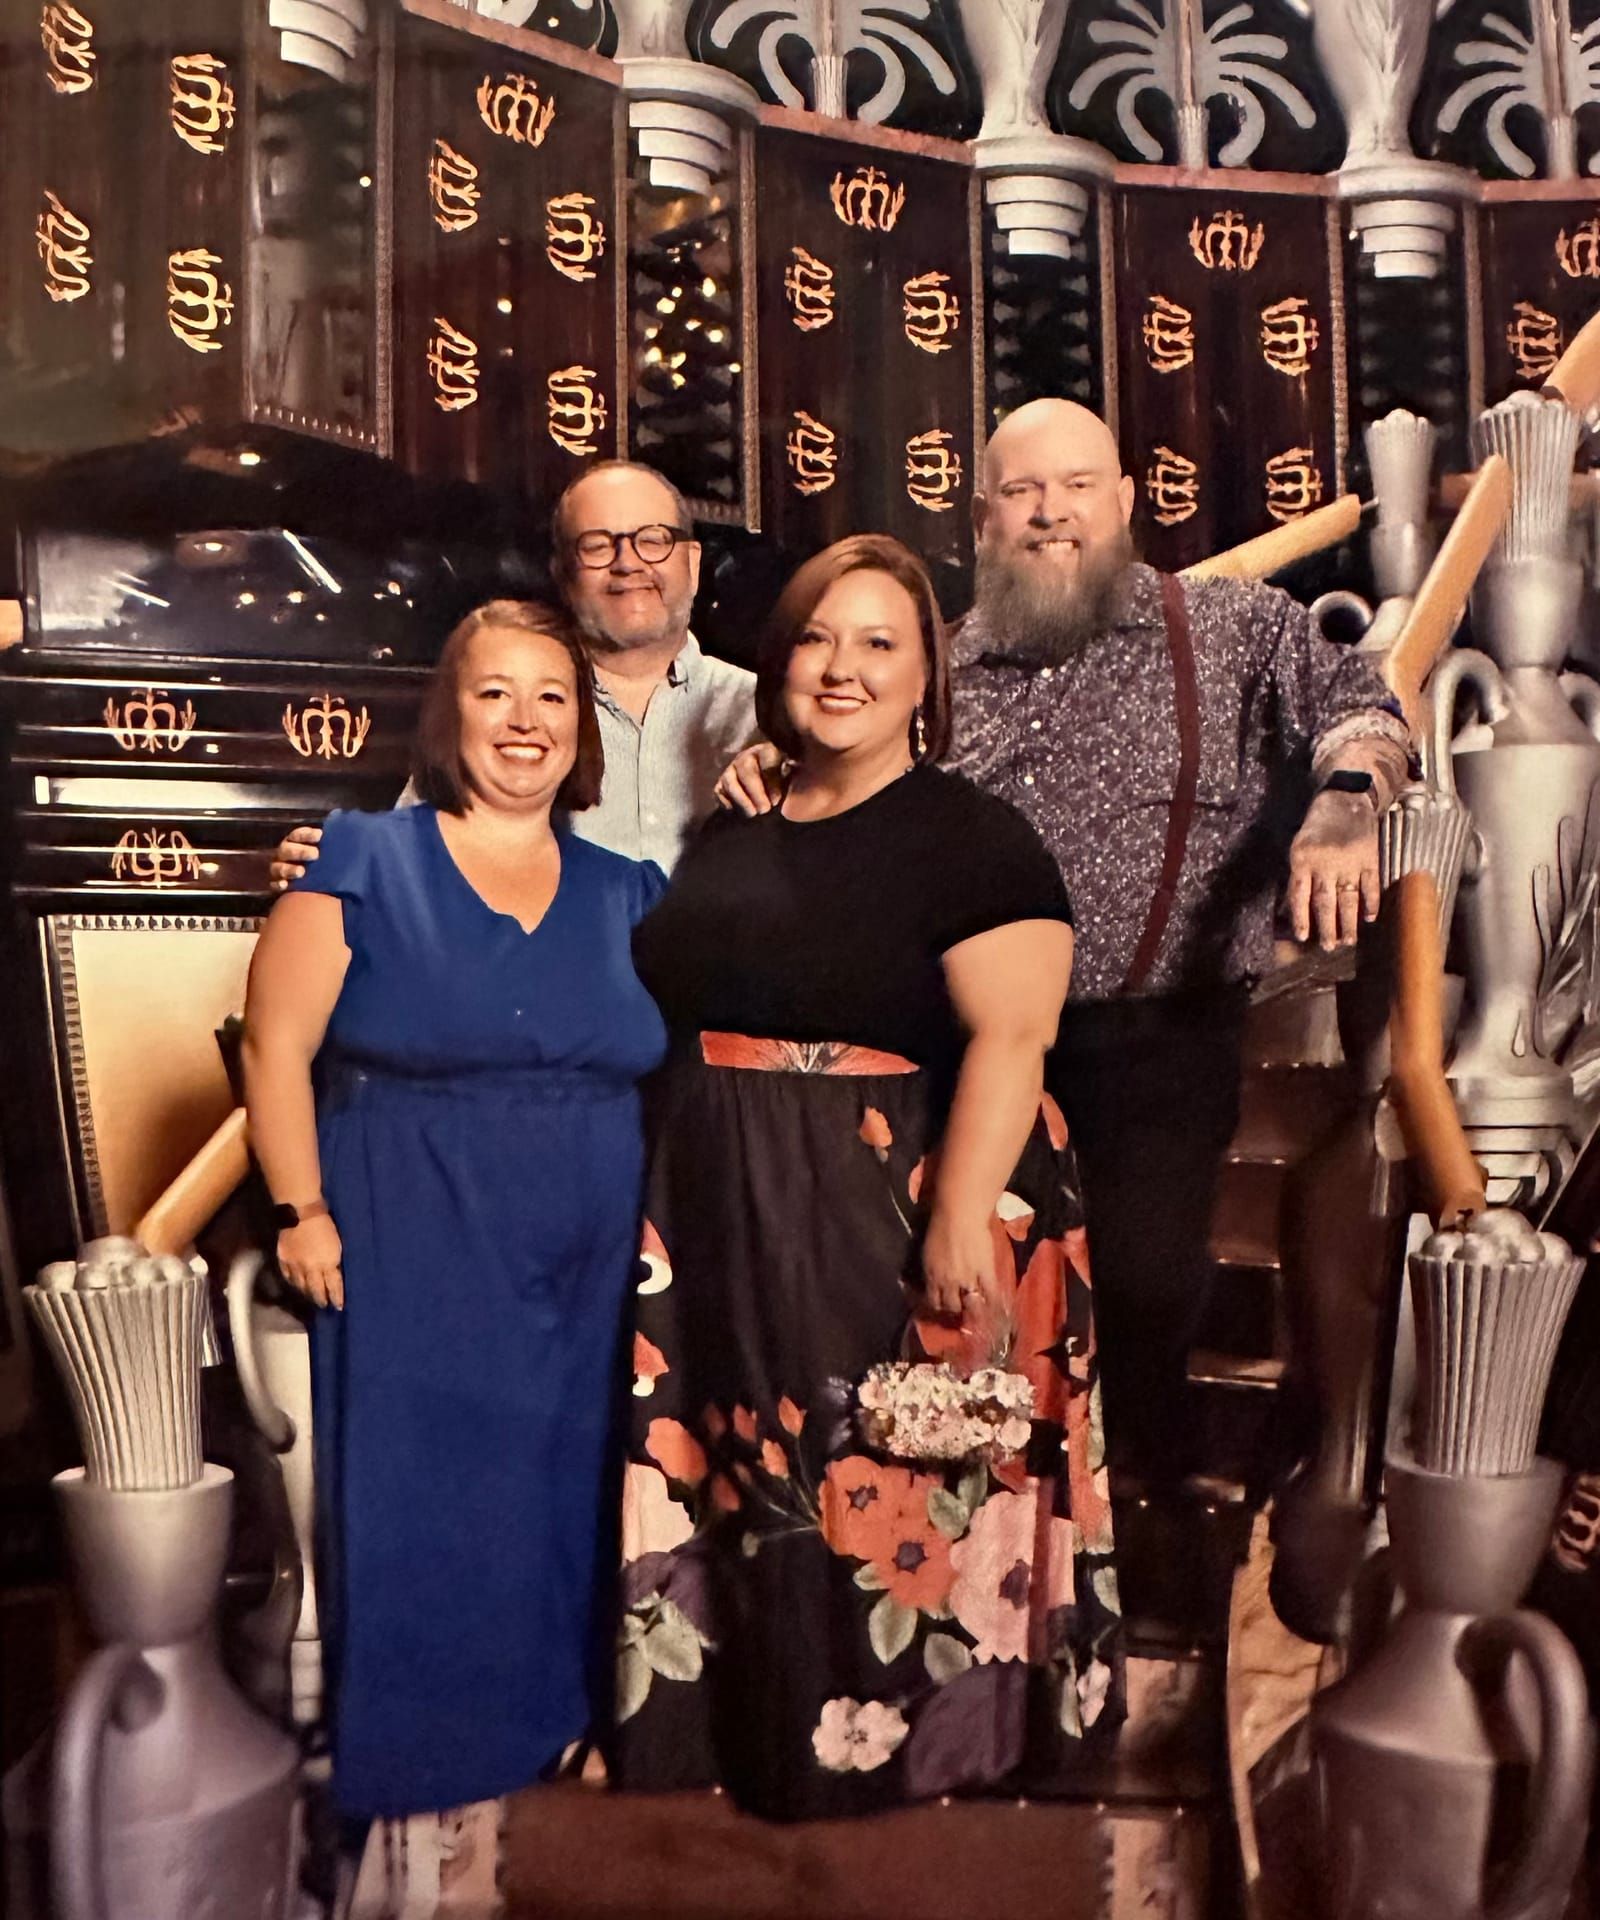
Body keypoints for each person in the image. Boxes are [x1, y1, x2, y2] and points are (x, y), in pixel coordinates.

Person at [717, 399, 1412, 1489]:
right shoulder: (939, 661)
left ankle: (1136, 1532)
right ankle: (983, 1536)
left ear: (1126, 501)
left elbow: (1361, 703)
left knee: (1139, 1291)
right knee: (956, 1291)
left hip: (1153, 1043)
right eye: (1023, 492)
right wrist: (778, 767)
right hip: (958, 1041)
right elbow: (844, 760)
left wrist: (1343, 802)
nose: (1052, 513)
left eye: (1078, 485)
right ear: (982, 519)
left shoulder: (1228, 626)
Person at [611, 535, 1121, 1823]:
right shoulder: (744, 816)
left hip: (885, 1195)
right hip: (732, 1202)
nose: (842, 668)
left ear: (923, 678)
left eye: (878, 643)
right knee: (762, 1476)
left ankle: (909, 1747)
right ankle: (758, 1730)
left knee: (883, 1472)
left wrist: (955, 1221)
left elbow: (1014, 1033)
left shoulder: (975, 837)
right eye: (818, 639)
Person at [243, 599, 668, 1819]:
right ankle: (427, 1767)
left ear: (580, 726)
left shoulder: (629, 889)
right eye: (494, 693)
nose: (524, 721)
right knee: (429, 1494)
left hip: (589, 1237)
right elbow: (275, 1051)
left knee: (570, 1488)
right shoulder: (359, 858)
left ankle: (559, 1733)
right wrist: (299, 1208)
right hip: (409, 1213)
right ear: (450, 715)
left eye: (552, 695)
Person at [271, 461, 759, 886]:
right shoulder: (507, 716)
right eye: (597, 545)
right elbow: (412, 862)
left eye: (653, 540)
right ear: (562, 575)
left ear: (692, 565)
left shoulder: (765, 714)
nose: (627, 563)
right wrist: (330, 873)